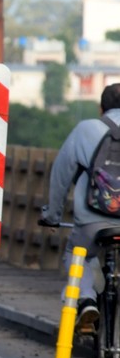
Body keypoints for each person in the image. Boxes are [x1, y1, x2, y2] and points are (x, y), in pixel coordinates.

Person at [39, 82, 120, 325]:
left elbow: (61, 176)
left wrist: (52, 215)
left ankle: (86, 300)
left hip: (93, 220)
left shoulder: (87, 129)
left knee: (77, 253)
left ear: (101, 108)